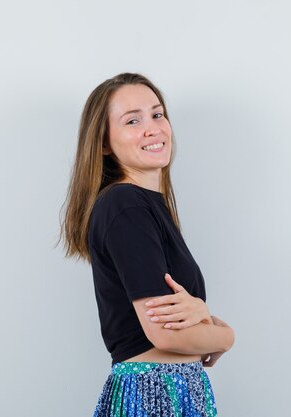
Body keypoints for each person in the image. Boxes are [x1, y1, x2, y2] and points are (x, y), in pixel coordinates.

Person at [60, 72, 235, 416]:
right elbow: (166, 336)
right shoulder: (125, 206)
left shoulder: (146, 207)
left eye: (157, 114)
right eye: (132, 120)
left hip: (176, 387)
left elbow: (176, 325)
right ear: (105, 143)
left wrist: (202, 317)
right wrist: (225, 335)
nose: (152, 128)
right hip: (153, 391)